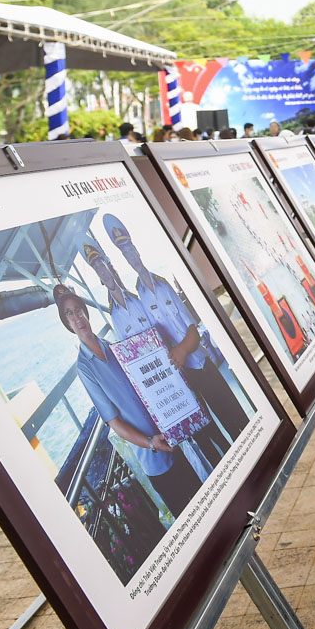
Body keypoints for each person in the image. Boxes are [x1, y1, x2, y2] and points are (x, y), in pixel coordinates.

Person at [56, 285, 204, 516]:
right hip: (153, 457)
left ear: (86, 311)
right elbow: (114, 423)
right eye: (69, 313)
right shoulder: (84, 368)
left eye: (78, 310)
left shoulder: (115, 347)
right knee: (189, 517)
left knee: (204, 500)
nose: (77, 317)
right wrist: (151, 442)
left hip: (171, 437)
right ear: (66, 323)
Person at [102, 214, 250, 441]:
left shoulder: (162, 285)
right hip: (178, 380)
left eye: (132, 251)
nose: (131, 257)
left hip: (200, 365)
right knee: (207, 434)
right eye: (125, 254)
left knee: (235, 419)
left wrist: (181, 351)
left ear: (138, 253)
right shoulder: (137, 297)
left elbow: (193, 329)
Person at [81, 241, 232, 462]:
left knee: (207, 421)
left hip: (177, 369)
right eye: (98, 270)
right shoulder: (115, 316)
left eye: (104, 265)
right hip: (163, 383)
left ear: (111, 267)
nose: (104, 272)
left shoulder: (138, 299)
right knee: (197, 435)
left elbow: (162, 333)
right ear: (100, 278)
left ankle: (231, 453)